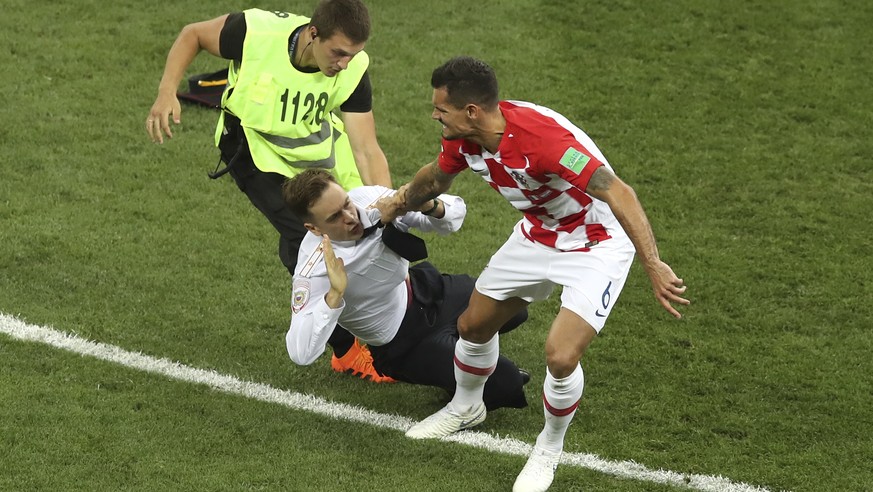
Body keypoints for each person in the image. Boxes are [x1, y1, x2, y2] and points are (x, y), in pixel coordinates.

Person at [383, 57, 690, 492]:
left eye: (441, 109)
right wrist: (396, 203)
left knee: (561, 357)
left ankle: (548, 447)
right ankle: (467, 406)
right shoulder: (464, 139)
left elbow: (619, 190)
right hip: (537, 235)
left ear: (472, 111)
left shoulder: (542, 140)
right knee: (472, 326)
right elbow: (434, 180)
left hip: (596, 242)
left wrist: (653, 262)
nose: (434, 115)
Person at [145, 0, 393, 381]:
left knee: (369, 230)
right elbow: (192, 34)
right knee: (309, 236)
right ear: (313, 34)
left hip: (314, 153)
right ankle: (345, 350)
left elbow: (365, 147)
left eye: (352, 54)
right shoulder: (256, 32)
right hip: (252, 150)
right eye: (338, 52)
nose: (344, 62)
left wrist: (389, 206)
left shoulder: (354, 69)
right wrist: (167, 92)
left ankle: (385, 323)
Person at [282, 169, 530, 409]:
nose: (350, 217)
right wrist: (334, 295)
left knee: (513, 307)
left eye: (346, 203)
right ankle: (458, 372)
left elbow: (454, 218)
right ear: (313, 229)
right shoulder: (313, 270)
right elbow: (301, 353)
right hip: (404, 342)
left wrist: (426, 205)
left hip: (427, 290)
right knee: (507, 385)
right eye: (334, 217)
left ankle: (458, 353)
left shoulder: (368, 199)